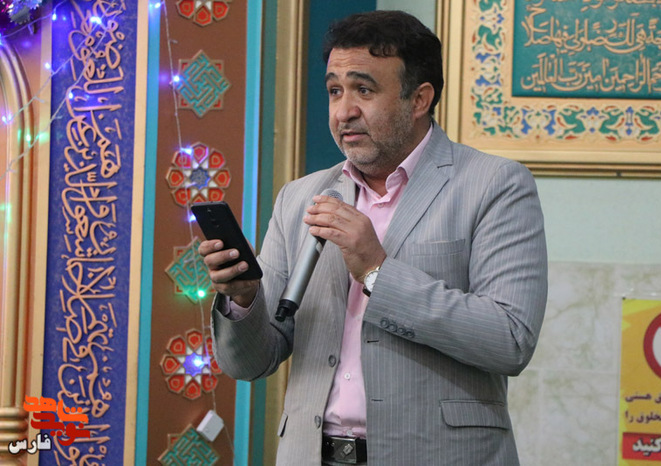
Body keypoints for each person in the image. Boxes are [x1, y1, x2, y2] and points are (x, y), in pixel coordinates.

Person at [199, 10, 547, 466]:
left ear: (419, 99)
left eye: (363, 90)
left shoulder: (494, 185)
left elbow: (510, 340)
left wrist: (377, 272)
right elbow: (250, 363)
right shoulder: (300, 197)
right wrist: (244, 301)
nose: (344, 111)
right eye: (334, 91)